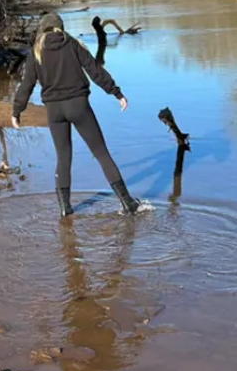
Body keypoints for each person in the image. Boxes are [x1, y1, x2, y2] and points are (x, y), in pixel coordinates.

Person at [11, 12, 141, 218]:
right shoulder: (72, 44)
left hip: (54, 111)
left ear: (42, 29)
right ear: (60, 28)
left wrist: (17, 111)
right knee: (101, 153)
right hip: (78, 106)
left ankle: (65, 209)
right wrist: (116, 92)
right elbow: (95, 70)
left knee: (63, 158)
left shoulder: (36, 52)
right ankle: (128, 203)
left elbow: (27, 85)